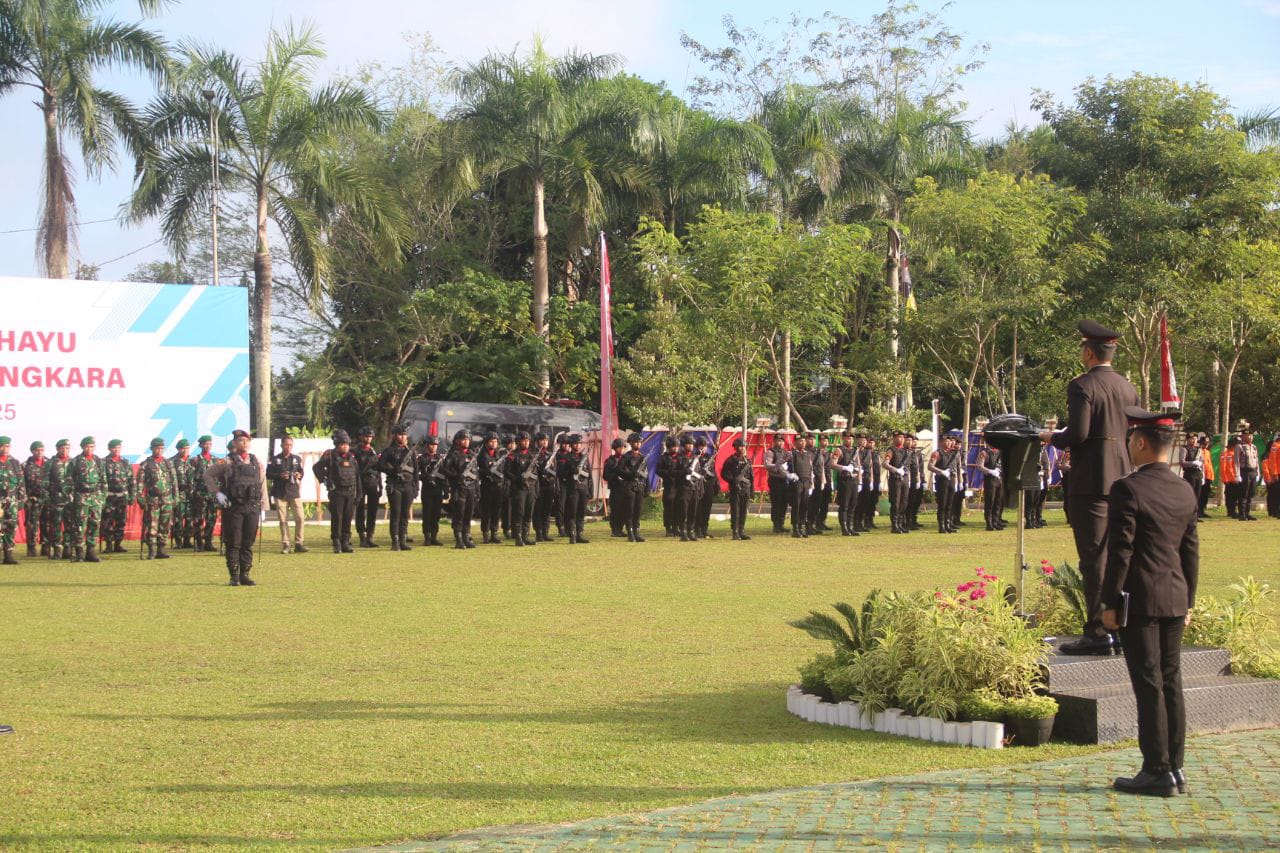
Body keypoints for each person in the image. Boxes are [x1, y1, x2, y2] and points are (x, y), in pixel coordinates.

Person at [1100, 407, 1198, 798]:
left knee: (1149, 684)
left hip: (1139, 599)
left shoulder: (1128, 488)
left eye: (1130, 441)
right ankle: (1174, 766)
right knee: (1171, 682)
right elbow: (1190, 551)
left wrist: (1109, 602)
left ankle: (1156, 769)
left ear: (1140, 442)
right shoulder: (1184, 488)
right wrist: (1188, 600)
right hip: (1175, 596)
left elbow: (1120, 552)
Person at [1043, 319, 1140, 656]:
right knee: (1121, 553)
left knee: (1094, 558)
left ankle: (1098, 632)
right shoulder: (1128, 387)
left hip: (1092, 480)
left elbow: (1078, 434)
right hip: (1122, 474)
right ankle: (1123, 627)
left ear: (1088, 352)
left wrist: (1050, 437)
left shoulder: (1083, 386)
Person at [203, 429, 267, 586]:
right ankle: (234, 575)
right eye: (240, 440)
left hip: (252, 506)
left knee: (248, 541)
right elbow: (208, 475)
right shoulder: (227, 461)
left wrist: (263, 506)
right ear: (234, 443)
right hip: (234, 507)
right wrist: (217, 493)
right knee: (233, 541)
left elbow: (262, 484)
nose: (244, 443)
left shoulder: (256, 461)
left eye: (246, 440)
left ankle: (245, 573)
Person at [313, 430, 359, 553]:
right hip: (337, 492)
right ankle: (336, 542)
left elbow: (357, 475)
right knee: (337, 518)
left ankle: (345, 542)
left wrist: (358, 493)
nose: (345, 446)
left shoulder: (352, 457)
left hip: (350, 492)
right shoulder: (330, 456)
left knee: (348, 518)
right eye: (342, 444)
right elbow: (317, 467)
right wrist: (325, 480)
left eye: (347, 444)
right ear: (337, 444)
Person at [378, 424, 418, 551]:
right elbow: (380, 465)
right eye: (400, 434)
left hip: (408, 485)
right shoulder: (389, 451)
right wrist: (393, 470)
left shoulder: (410, 451)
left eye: (405, 434)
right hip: (395, 486)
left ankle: (403, 539)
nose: (403, 437)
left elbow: (415, 470)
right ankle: (395, 541)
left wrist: (416, 487)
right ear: (395, 436)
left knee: (405, 514)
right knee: (396, 513)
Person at [67, 437, 106, 563]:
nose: (89, 449)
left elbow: (103, 481)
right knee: (80, 525)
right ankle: (79, 552)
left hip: (95, 497)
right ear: (82, 447)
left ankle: (91, 551)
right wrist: (72, 496)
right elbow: (68, 480)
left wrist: (102, 497)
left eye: (91, 446)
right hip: (81, 497)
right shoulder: (75, 461)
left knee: (94, 524)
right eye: (87, 446)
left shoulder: (99, 461)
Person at [136, 438, 176, 560]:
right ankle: (152, 550)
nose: (159, 451)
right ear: (152, 449)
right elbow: (140, 483)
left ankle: (161, 549)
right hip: (153, 499)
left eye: (161, 448)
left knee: (165, 525)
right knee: (152, 525)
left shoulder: (168, 463)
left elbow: (174, 482)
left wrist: (176, 496)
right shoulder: (146, 464)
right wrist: (140, 497)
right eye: (157, 448)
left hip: (167, 499)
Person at [267, 436, 307, 554]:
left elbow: (301, 471)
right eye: (286, 445)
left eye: (290, 445)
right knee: (283, 520)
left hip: (294, 491)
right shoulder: (274, 459)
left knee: (300, 517)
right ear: (281, 445)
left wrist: (299, 475)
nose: (288, 447)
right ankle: (286, 544)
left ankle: (299, 543)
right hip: (280, 492)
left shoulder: (296, 458)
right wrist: (280, 475)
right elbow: (268, 474)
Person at [442, 429, 479, 549]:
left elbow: (476, 474)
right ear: (458, 441)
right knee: (459, 514)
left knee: (468, 514)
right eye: (464, 440)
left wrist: (477, 490)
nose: (466, 442)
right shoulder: (453, 455)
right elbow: (444, 470)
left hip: (471, 488)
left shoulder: (471, 454)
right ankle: (458, 539)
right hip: (459, 489)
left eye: (468, 440)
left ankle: (466, 537)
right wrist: (456, 476)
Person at [504, 432, 540, 546]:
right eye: (524, 440)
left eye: (528, 441)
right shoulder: (512, 455)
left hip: (531, 488)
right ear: (519, 442)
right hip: (519, 488)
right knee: (519, 512)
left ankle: (526, 536)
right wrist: (518, 478)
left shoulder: (532, 455)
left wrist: (536, 489)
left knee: (529, 513)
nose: (526, 442)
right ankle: (518, 536)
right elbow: (506, 472)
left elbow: (536, 473)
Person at [101, 440, 133, 554]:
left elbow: (130, 480)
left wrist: (131, 495)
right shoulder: (103, 462)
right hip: (109, 496)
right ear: (109, 449)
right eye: (114, 448)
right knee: (108, 521)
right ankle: (109, 544)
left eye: (119, 447)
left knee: (121, 521)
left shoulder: (125, 462)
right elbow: (100, 480)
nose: (117, 450)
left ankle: (118, 544)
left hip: (122, 496)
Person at [557, 434, 591, 544]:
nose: (578, 445)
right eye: (576, 443)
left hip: (583, 488)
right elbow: (561, 474)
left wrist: (590, 490)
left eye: (580, 443)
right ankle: (572, 534)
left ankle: (580, 534)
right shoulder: (566, 458)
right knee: (572, 512)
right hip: (572, 488)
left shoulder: (584, 457)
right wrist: (572, 471)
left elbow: (589, 475)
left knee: (581, 512)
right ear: (571, 445)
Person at [353, 427, 382, 548]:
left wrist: (380, 485)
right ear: (361, 437)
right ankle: (362, 537)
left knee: (372, 511)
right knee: (360, 511)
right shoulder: (355, 452)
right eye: (366, 436)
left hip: (372, 483)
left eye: (370, 437)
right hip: (360, 483)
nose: (368, 438)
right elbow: (354, 469)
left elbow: (378, 470)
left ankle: (370, 536)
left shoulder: (373, 452)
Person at [190, 435, 220, 552]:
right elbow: (190, 478)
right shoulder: (195, 460)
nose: (207, 446)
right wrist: (193, 492)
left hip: (212, 495)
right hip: (200, 494)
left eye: (209, 444)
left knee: (211, 518)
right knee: (199, 519)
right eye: (205, 444)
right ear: (200, 445)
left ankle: (208, 542)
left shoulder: (216, 460)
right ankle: (198, 542)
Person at [0, 436, 26, 565]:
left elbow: (21, 482)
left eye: (7, 446)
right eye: (2, 446)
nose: (4, 449)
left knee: (10, 526)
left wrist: (21, 499)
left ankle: (8, 555)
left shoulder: (14, 462)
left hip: (11, 500)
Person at [829, 432, 861, 537]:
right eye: (847, 439)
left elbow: (858, 466)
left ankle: (851, 527)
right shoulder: (839, 450)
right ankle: (844, 528)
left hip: (854, 480)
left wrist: (859, 480)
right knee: (844, 505)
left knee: (853, 504)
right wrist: (844, 467)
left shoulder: (855, 450)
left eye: (851, 439)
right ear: (843, 439)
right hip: (844, 480)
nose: (850, 440)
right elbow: (832, 464)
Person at [476, 431, 506, 544]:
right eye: (491, 441)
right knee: (486, 512)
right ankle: (485, 534)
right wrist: (486, 471)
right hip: (487, 486)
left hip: (498, 487)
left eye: (495, 441)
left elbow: (503, 471)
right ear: (486, 442)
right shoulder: (481, 455)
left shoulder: (500, 455)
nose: (493, 443)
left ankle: (494, 533)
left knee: (496, 512)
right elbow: (477, 470)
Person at [721, 438, 754, 540]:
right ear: (735, 448)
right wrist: (733, 481)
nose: (743, 448)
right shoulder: (730, 460)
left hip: (746, 489)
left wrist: (752, 490)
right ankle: (735, 532)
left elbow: (751, 477)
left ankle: (741, 531)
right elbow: (724, 474)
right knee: (736, 511)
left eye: (744, 446)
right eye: (741, 446)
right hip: (736, 490)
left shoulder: (747, 460)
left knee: (744, 511)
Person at [46, 439, 74, 559]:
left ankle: (67, 548)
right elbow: (44, 481)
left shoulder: (75, 462)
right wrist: (46, 498)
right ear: (57, 449)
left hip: (71, 499)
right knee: (55, 525)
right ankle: (57, 549)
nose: (65, 450)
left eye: (67, 448)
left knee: (70, 525)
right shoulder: (51, 463)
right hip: (56, 499)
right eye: (62, 448)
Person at [417, 435, 447, 546]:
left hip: (438, 489)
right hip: (427, 490)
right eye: (431, 445)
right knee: (427, 514)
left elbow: (444, 475)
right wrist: (425, 477)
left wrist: (446, 489)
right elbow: (416, 474)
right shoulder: (422, 458)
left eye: (435, 445)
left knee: (436, 514)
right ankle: (427, 537)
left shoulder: (440, 458)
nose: (434, 447)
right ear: (427, 445)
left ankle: (434, 537)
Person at [22, 441, 50, 557]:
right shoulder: (25, 465)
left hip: (47, 499)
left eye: (41, 450)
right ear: (32, 451)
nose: (39, 452)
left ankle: (46, 548)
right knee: (32, 525)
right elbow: (21, 483)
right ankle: (32, 549)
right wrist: (25, 497)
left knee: (47, 525)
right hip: (32, 500)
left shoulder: (50, 463)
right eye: (37, 450)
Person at [929, 434, 960, 533]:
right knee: (942, 504)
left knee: (950, 503)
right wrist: (941, 471)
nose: (948, 442)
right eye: (946, 441)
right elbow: (930, 466)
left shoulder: (952, 453)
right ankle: (941, 525)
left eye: (949, 441)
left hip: (951, 479)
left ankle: (947, 524)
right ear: (941, 442)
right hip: (941, 481)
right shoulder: (937, 453)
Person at [763, 433, 792, 534]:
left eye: (782, 441)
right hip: (775, 480)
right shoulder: (770, 452)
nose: (780, 443)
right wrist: (778, 466)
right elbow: (767, 465)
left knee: (784, 503)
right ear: (774, 441)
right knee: (776, 503)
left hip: (785, 480)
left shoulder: (786, 452)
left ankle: (781, 524)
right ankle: (776, 525)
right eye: (778, 441)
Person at [168, 439, 194, 549]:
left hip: (191, 494)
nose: (185, 450)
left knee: (190, 519)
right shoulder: (171, 461)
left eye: (187, 448)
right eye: (183, 448)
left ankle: (187, 540)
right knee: (178, 518)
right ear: (178, 449)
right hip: (178, 494)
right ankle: (178, 541)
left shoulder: (193, 460)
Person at [884, 431, 911, 534]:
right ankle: (894, 525)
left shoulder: (906, 451)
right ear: (894, 439)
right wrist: (895, 470)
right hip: (895, 479)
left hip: (904, 479)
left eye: (902, 437)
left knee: (904, 502)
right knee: (895, 502)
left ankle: (900, 523)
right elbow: (885, 464)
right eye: (898, 437)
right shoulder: (891, 450)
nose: (901, 439)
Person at [789, 433, 816, 538]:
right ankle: (795, 528)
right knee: (796, 505)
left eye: (804, 441)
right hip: (797, 482)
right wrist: (788, 474)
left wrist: (811, 484)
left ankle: (802, 527)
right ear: (795, 443)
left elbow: (811, 469)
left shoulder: (807, 454)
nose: (803, 443)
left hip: (806, 482)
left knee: (805, 506)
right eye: (800, 441)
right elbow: (780, 465)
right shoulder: (791, 454)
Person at [533, 433, 557, 541]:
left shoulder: (550, 455)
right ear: (537, 441)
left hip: (549, 486)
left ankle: (545, 532)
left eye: (546, 440)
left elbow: (555, 471)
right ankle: (538, 532)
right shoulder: (533, 455)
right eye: (542, 440)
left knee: (547, 510)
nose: (544, 442)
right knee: (538, 510)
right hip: (538, 486)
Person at [696, 436, 720, 538]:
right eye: (701, 446)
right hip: (698, 485)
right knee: (699, 508)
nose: (703, 448)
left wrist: (716, 484)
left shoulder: (710, 457)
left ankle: (704, 529)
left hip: (708, 484)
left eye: (705, 446)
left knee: (707, 508)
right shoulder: (695, 457)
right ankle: (697, 530)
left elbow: (713, 471)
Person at [978, 441, 1005, 531]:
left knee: (998, 502)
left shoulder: (1000, 452)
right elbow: (980, 466)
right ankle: (989, 523)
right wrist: (990, 471)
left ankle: (995, 521)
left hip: (999, 479)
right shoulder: (985, 452)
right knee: (990, 502)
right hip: (990, 480)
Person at [1178, 433, 1205, 524]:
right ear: (1188, 439)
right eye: (1192, 439)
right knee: (1190, 495)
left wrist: (1203, 475)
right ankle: (1188, 516)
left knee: (1197, 495)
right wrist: (1193, 463)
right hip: (1189, 474)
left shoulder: (1199, 449)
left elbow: (1202, 462)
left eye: (1195, 439)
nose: (1194, 440)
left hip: (1198, 473)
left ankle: (1195, 516)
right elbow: (1182, 462)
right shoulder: (1184, 449)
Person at [602, 438, 627, 538]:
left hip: (625, 488)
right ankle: (615, 530)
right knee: (615, 510)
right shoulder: (610, 461)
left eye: (622, 447)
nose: (621, 449)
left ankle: (620, 529)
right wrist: (615, 474)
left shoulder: (626, 459)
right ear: (614, 448)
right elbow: (605, 476)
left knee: (623, 510)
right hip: (615, 488)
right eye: (618, 447)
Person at [1235, 428, 1260, 522]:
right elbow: (1236, 462)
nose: (1249, 437)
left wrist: (1258, 472)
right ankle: (1242, 514)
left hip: (1253, 471)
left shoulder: (1253, 447)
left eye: (1251, 435)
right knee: (1243, 494)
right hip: (1244, 471)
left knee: (1251, 493)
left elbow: (1256, 460)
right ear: (1243, 436)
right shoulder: (1239, 446)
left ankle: (1248, 513)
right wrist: (1237, 474)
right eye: (1247, 435)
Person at [656, 435, 680, 536]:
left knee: (678, 508)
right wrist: (668, 473)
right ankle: (668, 528)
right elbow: (658, 470)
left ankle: (676, 528)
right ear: (669, 447)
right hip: (669, 486)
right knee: (669, 508)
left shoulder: (680, 457)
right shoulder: (664, 458)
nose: (675, 448)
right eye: (673, 446)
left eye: (677, 446)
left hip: (679, 486)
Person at [906, 435, 926, 531]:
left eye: (915, 442)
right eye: (913, 441)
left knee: (916, 501)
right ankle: (907, 521)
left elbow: (921, 469)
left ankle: (914, 519)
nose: (914, 443)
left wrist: (924, 481)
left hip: (919, 481)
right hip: (911, 481)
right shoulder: (908, 453)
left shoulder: (918, 454)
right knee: (910, 502)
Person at [1221, 436, 1240, 519]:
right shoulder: (1225, 454)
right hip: (1229, 480)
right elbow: (1223, 468)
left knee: (1236, 496)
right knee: (1230, 497)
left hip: (1237, 479)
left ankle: (1234, 511)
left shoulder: (1237, 454)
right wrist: (1225, 479)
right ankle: (1231, 512)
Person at [1197, 435, 1214, 519]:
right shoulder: (1198, 451)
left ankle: (1202, 510)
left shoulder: (1207, 452)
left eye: (1207, 443)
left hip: (1208, 475)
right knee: (1199, 494)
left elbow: (1209, 464)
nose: (1206, 445)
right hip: (1201, 475)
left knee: (1205, 494)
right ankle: (1198, 511)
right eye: (1204, 443)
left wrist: (1212, 476)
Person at [1264, 433, 1280, 519]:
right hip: (1278, 473)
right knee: (1276, 494)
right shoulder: (1275, 445)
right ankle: (1276, 512)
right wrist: (1274, 473)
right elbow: (1273, 461)